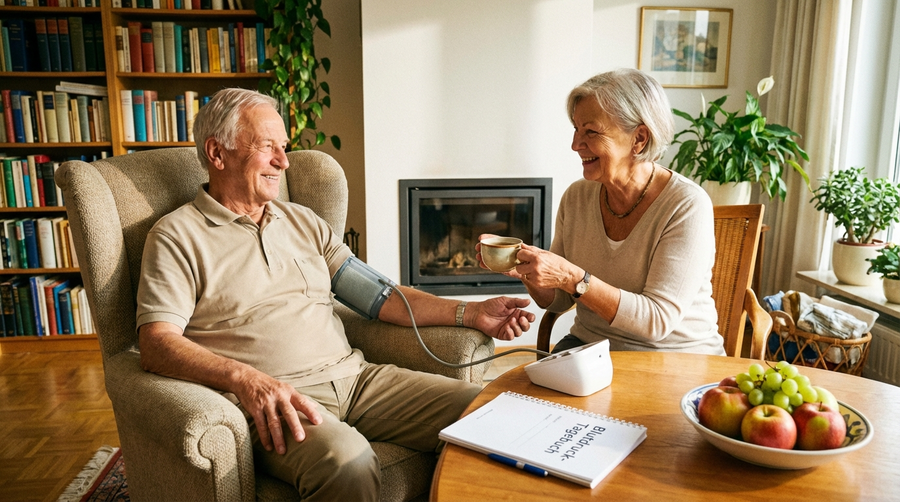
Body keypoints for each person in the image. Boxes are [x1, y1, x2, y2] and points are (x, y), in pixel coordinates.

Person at [135, 88, 535, 501]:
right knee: (350, 462)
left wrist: (471, 313)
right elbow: (156, 343)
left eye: (284, 147)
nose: (283, 161)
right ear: (218, 154)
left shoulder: (302, 221)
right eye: (268, 147)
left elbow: (380, 297)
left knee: (492, 410)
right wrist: (246, 380)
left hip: (358, 381)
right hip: (279, 403)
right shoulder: (176, 237)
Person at [478, 68, 723, 355]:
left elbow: (657, 321)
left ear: (639, 139)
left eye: (590, 131)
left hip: (674, 358)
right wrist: (527, 271)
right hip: (590, 348)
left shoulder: (686, 205)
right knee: (524, 395)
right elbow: (559, 300)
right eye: (576, 129)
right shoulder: (577, 197)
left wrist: (574, 278)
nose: (575, 145)